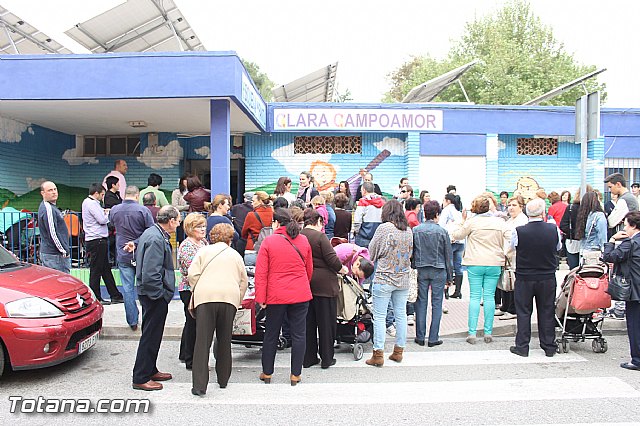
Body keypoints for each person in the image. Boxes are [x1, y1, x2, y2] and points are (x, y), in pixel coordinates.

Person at [255, 208, 313, 386]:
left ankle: (267, 372)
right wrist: (302, 284)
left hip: (276, 294)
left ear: (276, 223)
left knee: (271, 334)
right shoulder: (303, 240)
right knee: (299, 334)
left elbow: (261, 273)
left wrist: (261, 298)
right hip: (300, 293)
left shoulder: (269, 242)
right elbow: (308, 269)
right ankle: (295, 374)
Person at [188, 223, 248, 396]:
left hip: (205, 298)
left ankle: (199, 385)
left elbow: (192, 274)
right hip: (229, 298)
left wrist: (197, 289)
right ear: (230, 238)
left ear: (212, 237)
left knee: (202, 341)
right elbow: (243, 281)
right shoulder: (235, 255)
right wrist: (238, 299)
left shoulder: (203, 251)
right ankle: (223, 379)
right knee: (224, 339)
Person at [132, 205, 180, 391]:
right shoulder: (155, 238)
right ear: (171, 221)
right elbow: (151, 272)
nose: (178, 224)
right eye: (177, 220)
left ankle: (150, 369)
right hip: (153, 295)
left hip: (153, 293)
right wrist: (159, 294)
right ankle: (141, 376)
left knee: (153, 334)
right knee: (150, 335)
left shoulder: (154, 233)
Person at [451, 195, 510, 345]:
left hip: (475, 262)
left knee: (475, 297)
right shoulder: (500, 222)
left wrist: (462, 221)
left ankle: (472, 332)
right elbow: (510, 238)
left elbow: (457, 235)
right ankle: (488, 332)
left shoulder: (472, 222)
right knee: (489, 297)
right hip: (495, 262)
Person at [509, 198, 561, 358]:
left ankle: (522, 346)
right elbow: (558, 247)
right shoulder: (553, 229)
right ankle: (549, 346)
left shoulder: (518, 231)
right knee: (546, 310)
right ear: (543, 213)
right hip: (547, 275)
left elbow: (512, 247)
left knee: (524, 311)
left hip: (525, 275)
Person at [366, 200, 413, 367]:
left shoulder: (384, 228)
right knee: (401, 315)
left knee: (379, 316)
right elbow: (410, 253)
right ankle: (398, 351)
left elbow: (371, 252)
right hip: (403, 277)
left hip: (385, 277)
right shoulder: (408, 230)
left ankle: (378, 354)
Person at [301, 209, 348, 369]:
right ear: (319, 221)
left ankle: (308, 358)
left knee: (308, 324)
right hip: (325, 286)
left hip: (306, 284)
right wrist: (343, 269)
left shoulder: (300, 236)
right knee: (326, 324)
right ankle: (327, 358)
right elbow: (332, 260)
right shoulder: (320, 237)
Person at [109, 186, 155, 331]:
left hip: (123, 253)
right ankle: (147, 319)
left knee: (127, 289)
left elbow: (111, 225)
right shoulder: (143, 210)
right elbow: (150, 231)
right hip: (140, 253)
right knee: (143, 287)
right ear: (137, 195)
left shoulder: (114, 210)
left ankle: (132, 321)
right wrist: (135, 243)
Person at [602, 211, 640, 370]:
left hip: (635, 291)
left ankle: (637, 360)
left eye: (625, 225)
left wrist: (611, 240)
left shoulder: (629, 243)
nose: (624, 228)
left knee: (634, 325)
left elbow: (609, 256)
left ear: (633, 226)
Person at [412, 200, 453, 347]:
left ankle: (420, 336)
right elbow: (448, 256)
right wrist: (450, 276)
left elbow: (412, 253)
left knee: (421, 303)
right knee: (437, 304)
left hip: (421, 269)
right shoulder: (442, 231)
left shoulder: (416, 230)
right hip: (439, 269)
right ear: (437, 214)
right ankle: (433, 337)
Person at [81, 183, 123, 305]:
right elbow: (102, 220)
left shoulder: (87, 203)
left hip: (96, 239)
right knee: (96, 270)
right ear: (96, 193)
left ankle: (115, 294)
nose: (103, 197)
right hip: (97, 240)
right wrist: (108, 214)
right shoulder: (92, 204)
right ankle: (96, 296)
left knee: (105, 269)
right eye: (102, 194)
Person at [176, 213, 209, 370]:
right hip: (190, 289)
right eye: (199, 226)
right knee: (193, 323)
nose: (203, 229)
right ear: (190, 228)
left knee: (191, 323)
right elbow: (191, 271)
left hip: (201, 288)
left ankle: (185, 354)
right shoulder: (187, 246)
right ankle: (190, 360)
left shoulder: (203, 242)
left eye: (203, 226)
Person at [605, 173, 639, 320]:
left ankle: (619, 309)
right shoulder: (631, 198)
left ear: (618, 184)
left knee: (622, 277)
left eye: (611, 187)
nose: (610, 190)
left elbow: (612, 221)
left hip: (623, 241)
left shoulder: (624, 200)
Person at [497, 196, 528, 320]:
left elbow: (514, 240)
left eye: (514, 205)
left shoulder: (522, 220)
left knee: (513, 282)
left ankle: (513, 309)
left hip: (515, 255)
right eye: (509, 205)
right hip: (506, 255)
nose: (511, 208)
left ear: (521, 207)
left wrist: (506, 252)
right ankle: (505, 306)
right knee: (506, 281)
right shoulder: (509, 220)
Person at [38, 181, 71, 274]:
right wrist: (64, 251)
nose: (54, 192)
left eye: (55, 189)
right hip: (55, 255)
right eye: (50, 190)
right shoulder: (48, 209)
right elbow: (53, 233)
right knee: (61, 284)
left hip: (54, 254)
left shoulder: (51, 207)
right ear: (42, 193)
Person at [441, 193, 464, 299]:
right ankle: (458, 291)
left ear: (448, 201)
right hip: (460, 241)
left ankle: (446, 290)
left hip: (450, 240)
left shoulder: (447, 210)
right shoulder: (459, 210)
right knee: (458, 267)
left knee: (448, 265)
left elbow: (441, 225)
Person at [574, 191, 607, 265]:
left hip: (584, 250)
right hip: (595, 251)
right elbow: (602, 235)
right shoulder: (599, 216)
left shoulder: (582, 215)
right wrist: (605, 251)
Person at [353, 182, 385, 248]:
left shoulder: (362, 202)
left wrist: (356, 231)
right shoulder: (383, 201)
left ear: (364, 190)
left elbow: (357, 220)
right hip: (378, 236)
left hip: (364, 236)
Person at [230, 192, 254, 257]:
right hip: (252, 241)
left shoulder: (236, 208)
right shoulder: (255, 210)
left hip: (239, 239)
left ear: (245, 199)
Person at [172, 174, 190, 244]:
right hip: (181, 219)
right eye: (185, 180)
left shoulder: (193, 192)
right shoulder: (177, 192)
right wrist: (187, 207)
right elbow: (175, 206)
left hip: (191, 220)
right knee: (182, 239)